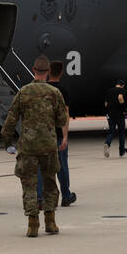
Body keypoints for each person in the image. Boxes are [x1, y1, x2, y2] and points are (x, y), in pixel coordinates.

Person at [4, 55, 69, 237]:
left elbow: (11, 120)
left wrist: (8, 141)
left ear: (34, 70)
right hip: (48, 145)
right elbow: (62, 119)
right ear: (48, 72)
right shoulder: (54, 93)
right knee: (50, 183)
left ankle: (33, 224)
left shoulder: (23, 92)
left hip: (28, 146)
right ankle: (50, 221)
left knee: (29, 184)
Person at [37, 62, 76, 206]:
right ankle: (66, 195)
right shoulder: (63, 91)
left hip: (43, 134)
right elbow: (65, 114)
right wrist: (65, 136)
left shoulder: (41, 89)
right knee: (61, 166)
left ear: (48, 72)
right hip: (58, 134)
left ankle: (39, 197)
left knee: (41, 166)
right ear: (61, 73)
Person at [104, 78, 127, 158]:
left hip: (110, 114)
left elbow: (106, 104)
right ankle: (121, 151)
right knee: (121, 133)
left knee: (111, 131)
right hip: (119, 114)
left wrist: (108, 111)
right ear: (122, 85)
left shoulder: (109, 91)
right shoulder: (122, 90)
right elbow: (120, 98)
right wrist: (124, 109)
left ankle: (107, 143)